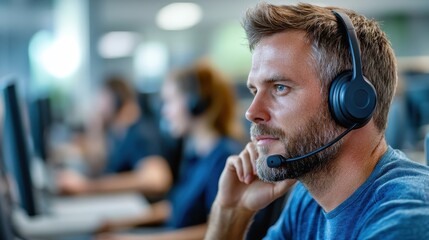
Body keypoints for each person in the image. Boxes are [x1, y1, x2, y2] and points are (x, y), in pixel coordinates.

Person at [205, 2, 429, 240]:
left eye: (280, 87)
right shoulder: (308, 198)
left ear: (351, 102)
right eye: (254, 91)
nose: (251, 112)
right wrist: (232, 211)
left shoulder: (405, 219)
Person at [97, 59, 244, 240]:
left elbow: (216, 230)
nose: (165, 112)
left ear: (195, 103)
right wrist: (119, 223)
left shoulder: (225, 159)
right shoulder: (196, 156)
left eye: (170, 101)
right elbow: (174, 207)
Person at [56, 75, 172, 199]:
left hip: (137, 212)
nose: (96, 106)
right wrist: (96, 130)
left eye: (100, 99)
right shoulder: (120, 132)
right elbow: (101, 165)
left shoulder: (141, 134)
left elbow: (156, 180)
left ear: (114, 100)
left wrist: (87, 187)